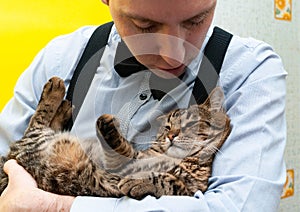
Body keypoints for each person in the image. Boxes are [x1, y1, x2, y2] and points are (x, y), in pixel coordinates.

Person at [0, 0, 287, 211]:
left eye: (196, 20)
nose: (174, 56)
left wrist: (54, 206)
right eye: (145, 26)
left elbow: (242, 206)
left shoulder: (249, 70)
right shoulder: (61, 58)